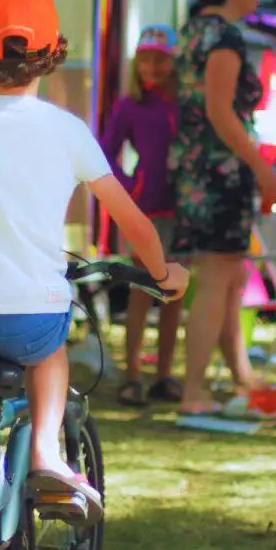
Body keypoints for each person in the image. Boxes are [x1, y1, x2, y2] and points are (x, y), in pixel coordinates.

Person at [0, 0, 190, 519]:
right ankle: (45, 452)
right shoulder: (68, 131)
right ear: (51, 55)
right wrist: (163, 271)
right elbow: (133, 221)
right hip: (31, 318)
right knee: (50, 350)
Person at [170, 0, 276, 418]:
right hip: (220, 172)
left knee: (232, 276)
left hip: (193, 169)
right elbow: (221, 111)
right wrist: (262, 169)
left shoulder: (193, 30)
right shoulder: (225, 38)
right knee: (217, 280)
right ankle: (193, 392)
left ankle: (240, 374)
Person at [98, 25, 187, 406]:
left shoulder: (185, 102)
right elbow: (105, 151)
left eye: (161, 59)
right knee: (141, 291)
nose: (153, 67)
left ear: (173, 61)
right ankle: (132, 375)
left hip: (184, 207)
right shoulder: (130, 105)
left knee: (175, 293)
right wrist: (129, 187)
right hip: (146, 210)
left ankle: (164, 374)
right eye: (146, 59)